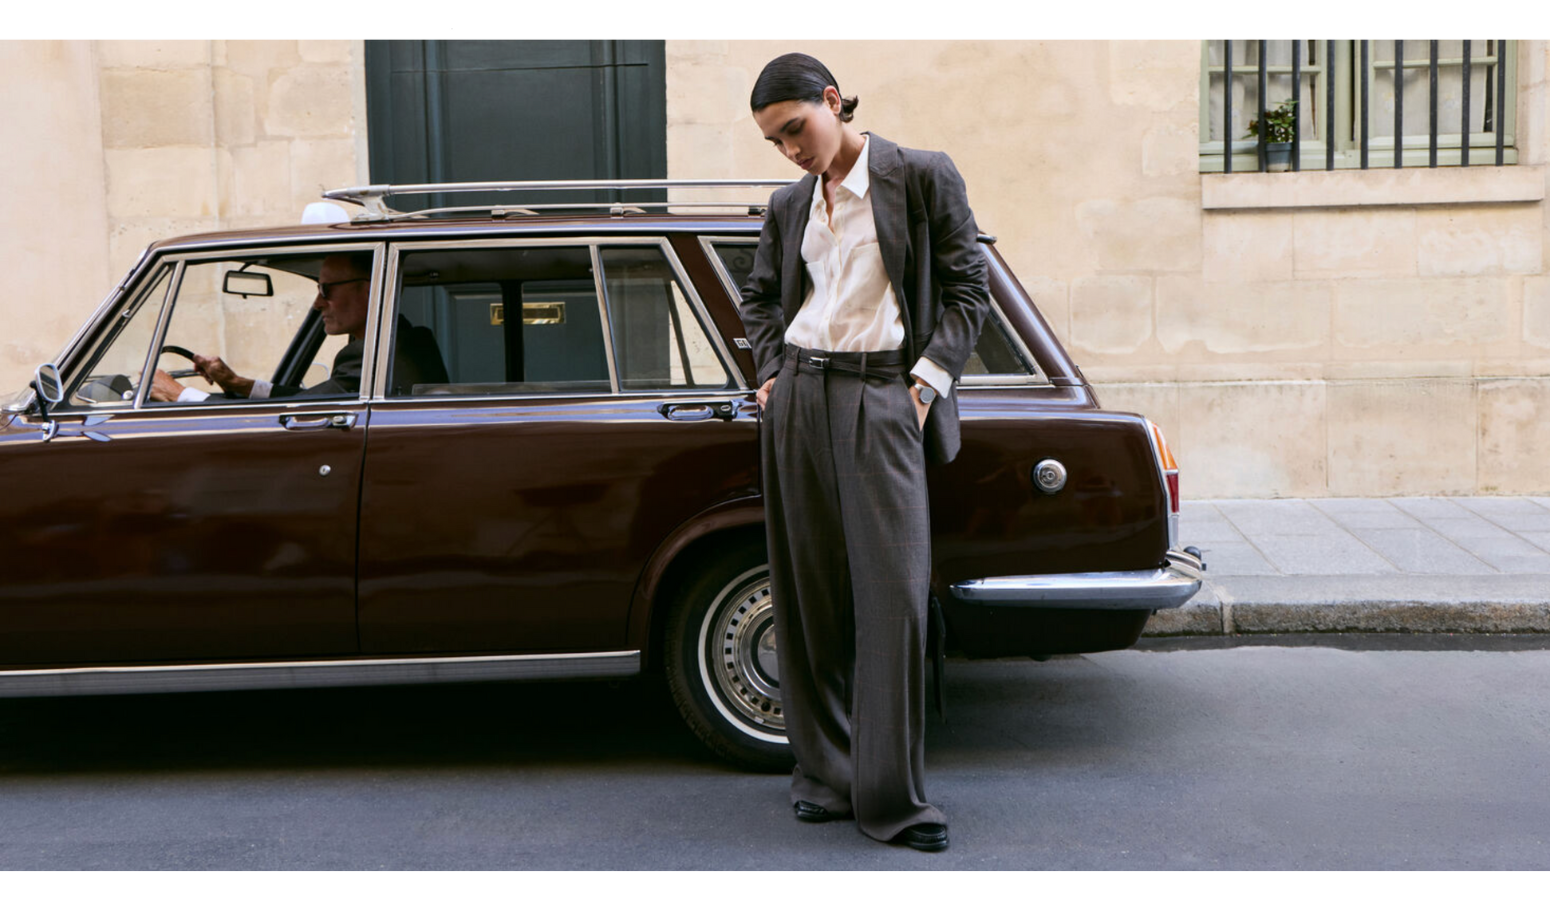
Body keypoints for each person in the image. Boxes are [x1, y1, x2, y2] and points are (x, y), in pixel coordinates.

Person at [737, 53, 990, 853]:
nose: (790, 150)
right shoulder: (789, 204)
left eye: (795, 130)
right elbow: (758, 297)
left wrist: (923, 386)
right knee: (808, 595)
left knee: (893, 602)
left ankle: (894, 799)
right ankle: (825, 775)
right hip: (800, 397)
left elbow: (969, 290)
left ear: (832, 100)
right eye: (776, 142)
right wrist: (771, 375)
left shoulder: (918, 175)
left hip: (883, 395)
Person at [149, 253, 446, 402]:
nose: (317, 303)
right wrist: (238, 383)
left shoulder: (376, 357)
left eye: (326, 290)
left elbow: (298, 414)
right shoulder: (403, 343)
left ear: (370, 292)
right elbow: (311, 401)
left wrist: (180, 395)